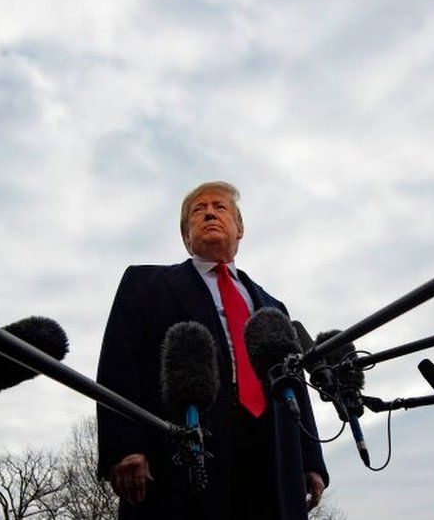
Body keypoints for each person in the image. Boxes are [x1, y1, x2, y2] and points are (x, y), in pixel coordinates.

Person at [96, 181, 328, 520]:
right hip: (183, 453)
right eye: (197, 210)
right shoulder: (145, 284)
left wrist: (309, 460)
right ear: (185, 235)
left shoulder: (273, 306)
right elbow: (118, 365)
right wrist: (124, 445)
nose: (208, 213)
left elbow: (292, 383)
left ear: (240, 228)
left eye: (220, 208)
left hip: (270, 460)